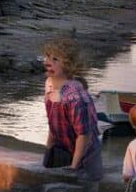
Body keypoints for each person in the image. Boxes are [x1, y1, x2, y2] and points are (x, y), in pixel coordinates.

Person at [41, 37, 103, 184]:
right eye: (48, 57)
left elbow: (84, 134)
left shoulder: (73, 95)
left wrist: (74, 166)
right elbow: (53, 123)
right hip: (63, 149)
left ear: (68, 66)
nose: (48, 62)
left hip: (84, 159)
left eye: (55, 59)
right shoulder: (49, 84)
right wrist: (48, 152)